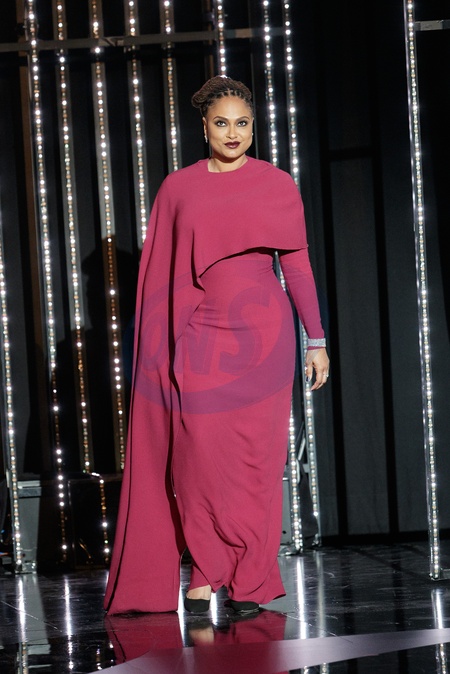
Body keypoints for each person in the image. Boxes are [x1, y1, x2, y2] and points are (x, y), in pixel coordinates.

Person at [104, 75, 330, 617]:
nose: (233, 133)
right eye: (222, 123)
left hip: (264, 336)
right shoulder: (178, 188)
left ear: (253, 126)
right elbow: (161, 275)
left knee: (256, 464)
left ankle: (250, 578)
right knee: (198, 460)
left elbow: (297, 265)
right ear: (203, 126)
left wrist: (316, 339)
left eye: (243, 123)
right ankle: (206, 568)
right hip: (199, 334)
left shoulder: (276, 184)